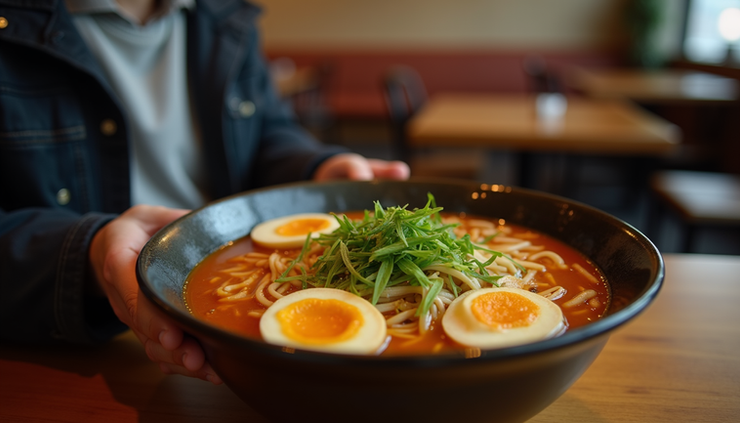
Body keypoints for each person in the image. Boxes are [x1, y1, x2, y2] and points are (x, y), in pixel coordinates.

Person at [0, 0, 409, 386]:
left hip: (236, 332)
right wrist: (89, 250)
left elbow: (264, 129)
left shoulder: (223, 12)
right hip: (83, 349)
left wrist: (316, 167)